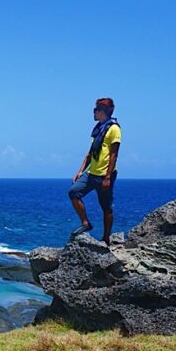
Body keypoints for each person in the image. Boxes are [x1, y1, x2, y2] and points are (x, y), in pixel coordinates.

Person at [69, 97, 121, 245]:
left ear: (102, 111)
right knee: (74, 192)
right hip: (91, 172)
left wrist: (108, 177)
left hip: (104, 175)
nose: (93, 113)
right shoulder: (98, 128)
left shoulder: (114, 129)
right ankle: (86, 223)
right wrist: (80, 172)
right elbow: (90, 153)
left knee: (106, 207)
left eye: (95, 110)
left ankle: (106, 238)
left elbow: (114, 154)